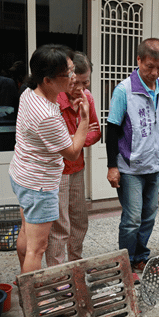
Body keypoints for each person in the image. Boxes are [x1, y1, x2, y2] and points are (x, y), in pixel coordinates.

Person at [9, 44, 89, 275]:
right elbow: (73, 152)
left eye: (73, 70)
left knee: (26, 231)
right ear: (48, 80)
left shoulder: (28, 93)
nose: (74, 78)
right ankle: (35, 298)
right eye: (69, 74)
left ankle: (24, 282)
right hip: (39, 185)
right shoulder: (47, 115)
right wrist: (83, 119)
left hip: (22, 175)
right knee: (38, 247)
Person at [106, 38, 159, 272]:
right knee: (132, 219)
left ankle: (141, 257)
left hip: (153, 165)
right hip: (130, 167)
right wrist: (112, 166)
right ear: (139, 60)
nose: (154, 72)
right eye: (149, 66)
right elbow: (112, 129)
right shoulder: (124, 90)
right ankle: (126, 262)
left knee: (149, 216)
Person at [45, 52, 101, 267]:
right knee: (60, 226)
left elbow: (96, 133)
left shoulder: (88, 98)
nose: (80, 88)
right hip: (56, 172)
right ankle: (57, 272)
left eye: (85, 82)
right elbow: (57, 143)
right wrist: (77, 135)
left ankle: (76, 264)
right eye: (75, 82)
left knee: (79, 220)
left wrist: (74, 139)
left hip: (77, 167)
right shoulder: (53, 101)